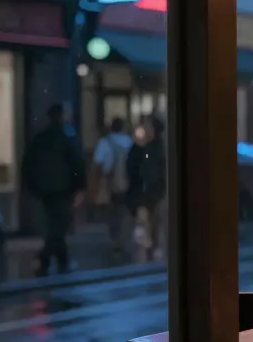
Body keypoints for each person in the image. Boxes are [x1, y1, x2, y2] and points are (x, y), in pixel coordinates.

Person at [23, 104, 86, 276]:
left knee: (55, 224)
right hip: (62, 189)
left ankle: (62, 260)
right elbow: (76, 163)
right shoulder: (67, 137)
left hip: (44, 190)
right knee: (59, 227)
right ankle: (44, 259)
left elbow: (28, 163)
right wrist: (80, 187)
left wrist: (32, 186)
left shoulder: (40, 138)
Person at [126, 116, 167, 262]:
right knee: (148, 226)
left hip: (151, 194)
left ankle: (148, 252)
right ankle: (150, 251)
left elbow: (149, 173)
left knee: (149, 225)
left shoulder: (154, 148)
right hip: (148, 194)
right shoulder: (147, 147)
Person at [92, 117, 134, 256]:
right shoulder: (129, 141)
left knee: (113, 211)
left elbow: (97, 163)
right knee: (125, 210)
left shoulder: (105, 142)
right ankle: (125, 237)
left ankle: (115, 238)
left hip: (111, 182)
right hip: (128, 182)